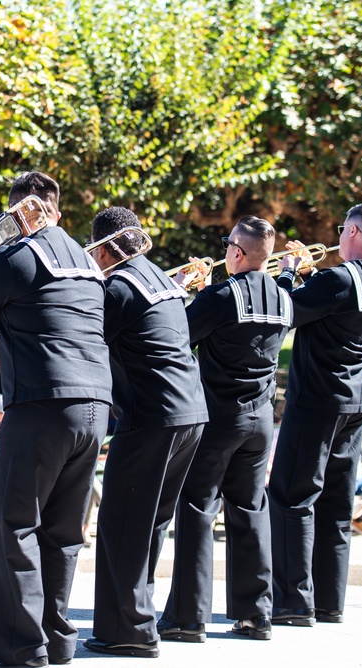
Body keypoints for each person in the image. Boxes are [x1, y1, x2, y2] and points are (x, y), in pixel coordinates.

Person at [0, 171, 113, 668]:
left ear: (20, 213)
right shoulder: (86, 261)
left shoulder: (15, 254)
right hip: (95, 406)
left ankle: (21, 650)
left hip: (41, 404)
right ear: (57, 212)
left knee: (15, 527)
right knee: (63, 531)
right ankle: (58, 643)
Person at [159, 216, 292, 644]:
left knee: (198, 507)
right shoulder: (285, 297)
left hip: (219, 416)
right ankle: (257, 614)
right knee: (251, 510)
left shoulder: (222, 295)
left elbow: (178, 332)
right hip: (261, 418)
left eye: (227, 244)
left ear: (236, 251)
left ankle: (188, 616)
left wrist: (187, 287)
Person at [86, 206, 207, 659]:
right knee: (149, 522)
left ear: (102, 247)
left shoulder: (117, 287)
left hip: (153, 415)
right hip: (190, 412)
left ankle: (128, 631)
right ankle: (138, 615)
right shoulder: (158, 277)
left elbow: (83, 333)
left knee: (120, 522)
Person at [268, 203, 362, 626]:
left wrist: (288, 270)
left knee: (291, 496)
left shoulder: (339, 277)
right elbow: (331, 308)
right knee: (337, 503)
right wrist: (309, 275)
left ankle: (292, 603)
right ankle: (329, 602)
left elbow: (285, 312)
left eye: (343, 230)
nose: (338, 237)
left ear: (355, 232)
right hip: (356, 402)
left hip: (317, 398)